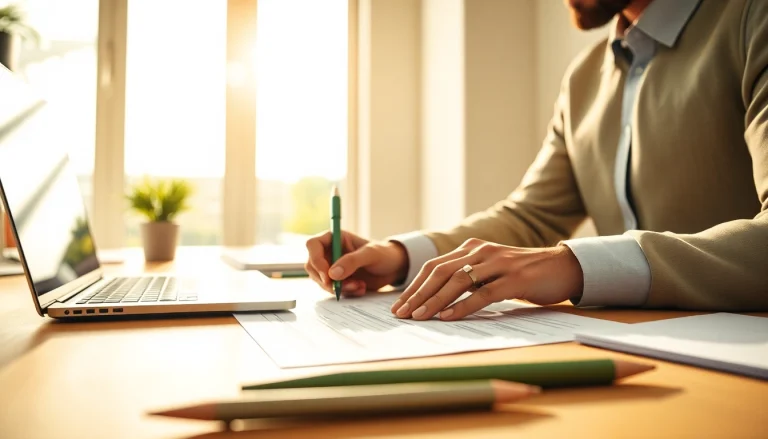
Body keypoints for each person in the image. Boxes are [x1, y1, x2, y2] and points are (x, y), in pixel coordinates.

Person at [305, 0, 768, 321]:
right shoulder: (586, 77)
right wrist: (399, 255)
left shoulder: (753, 20)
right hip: (632, 343)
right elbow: (530, 217)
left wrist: (572, 265)